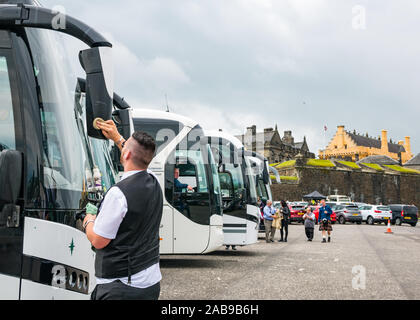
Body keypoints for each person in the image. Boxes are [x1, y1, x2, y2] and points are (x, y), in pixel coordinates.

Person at [83, 119, 163, 300]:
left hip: (121, 287)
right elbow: (135, 155)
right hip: (150, 284)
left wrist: (88, 219)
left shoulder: (118, 194)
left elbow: (98, 240)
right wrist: (118, 138)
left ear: (126, 154)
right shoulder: (154, 181)